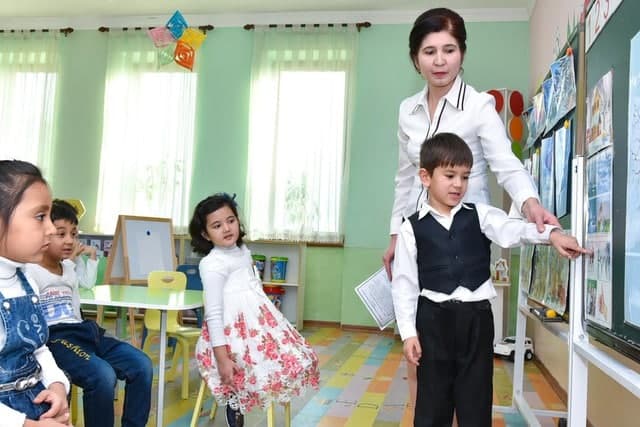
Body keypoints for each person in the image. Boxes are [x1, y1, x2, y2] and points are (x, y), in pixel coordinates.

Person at [382, 7, 561, 412]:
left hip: (466, 233)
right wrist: (395, 233)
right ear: (415, 58)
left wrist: (530, 203)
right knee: (421, 347)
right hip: (420, 232)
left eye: (449, 50)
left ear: (462, 52)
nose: (440, 61)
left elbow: (505, 164)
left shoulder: (479, 105)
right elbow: (405, 178)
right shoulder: (407, 111)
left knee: (466, 364)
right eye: (429, 51)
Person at [391, 133, 589, 426]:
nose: (458, 184)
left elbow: (515, 230)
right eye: (449, 175)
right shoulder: (411, 228)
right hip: (433, 321)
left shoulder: (480, 215)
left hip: (477, 320)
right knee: (433, 400)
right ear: (425, 177)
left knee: (476, 397)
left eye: (465, 176)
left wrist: (552, 235)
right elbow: (404, 285)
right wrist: (409, 333)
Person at [189, 193, 320, 427]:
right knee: (240, 370)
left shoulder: (243, 251)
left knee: (291, 359)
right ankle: (235, 409)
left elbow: (254, 289)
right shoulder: (212, 264)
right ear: (205, 234)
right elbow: (214, 314)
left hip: (257, 325)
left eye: (231, 220)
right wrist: (222, 358)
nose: (227, 228)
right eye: (217, 225)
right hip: (228, 337)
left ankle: (248, 399)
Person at [25, 199, 153, 427]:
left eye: (74, 234)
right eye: (61, 234)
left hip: (82, 330)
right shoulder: (29, 271)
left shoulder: (69, 269)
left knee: (141, 364)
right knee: (103, 375)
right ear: (43, 233)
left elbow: (76, 309)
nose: (70, 240)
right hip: (55, 338)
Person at [0, 160, 71, 427]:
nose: (51, 229)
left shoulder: (27, 280)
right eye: (41, 216)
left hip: (35, 405)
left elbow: (37, 348)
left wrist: (57, 386)